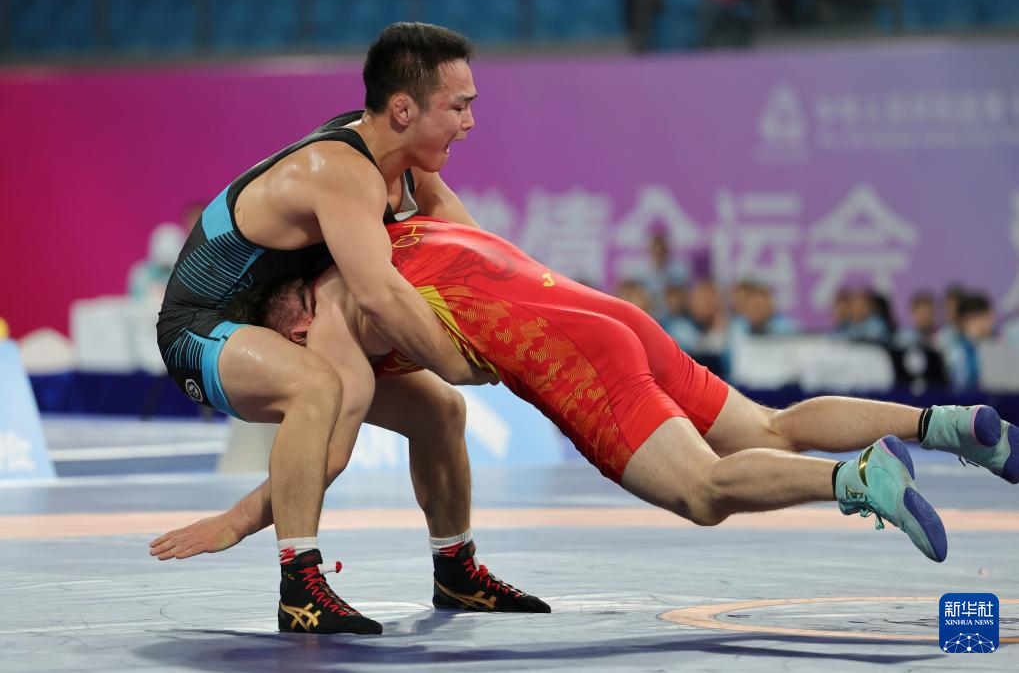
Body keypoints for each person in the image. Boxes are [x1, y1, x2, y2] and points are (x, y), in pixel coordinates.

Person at [197, 217, 1018, 584]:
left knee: (702, 492)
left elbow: (330, 444)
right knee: (766, 426)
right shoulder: (393, 225)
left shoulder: (329, 318)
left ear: (287, 314)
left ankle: (854, 479)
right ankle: (947, 426)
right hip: (604, 312)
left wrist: (238, 520)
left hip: (574, 358)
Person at [152, 23, 546, 635]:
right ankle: (299, 587)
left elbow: (481, 257)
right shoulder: (340, 170)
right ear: (403, 109)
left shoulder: (403, 162)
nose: (470, 123)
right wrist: (460, 363)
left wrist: (542, 317)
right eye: (459, 107)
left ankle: (457, 570)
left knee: (440, 413)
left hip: (283, 314)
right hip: (203, 328)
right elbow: (382, 298)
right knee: (321, 391)